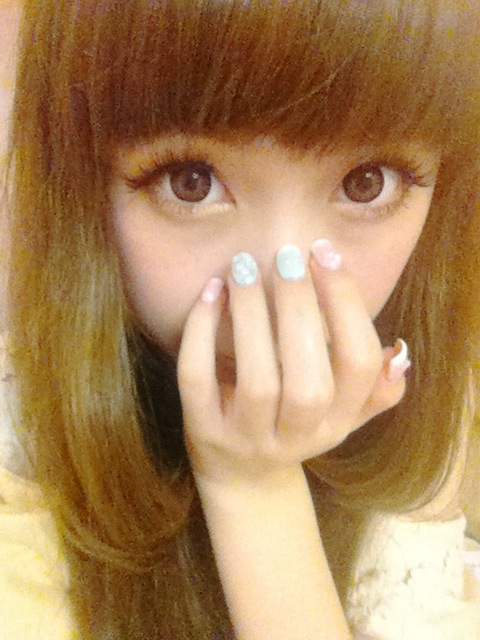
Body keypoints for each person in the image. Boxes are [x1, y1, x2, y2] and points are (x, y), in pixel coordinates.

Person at [1, 0, 480, 637]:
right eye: (190, 182)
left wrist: (256, 488)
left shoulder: (426, 403)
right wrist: (252, 483)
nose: (285, 291)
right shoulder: (19, 474)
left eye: (367, 182)